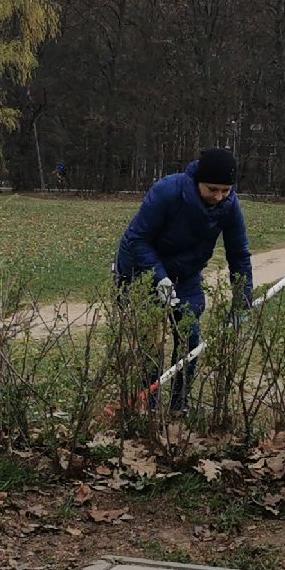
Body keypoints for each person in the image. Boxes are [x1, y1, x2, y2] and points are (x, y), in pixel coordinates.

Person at [114, 147, 254, 410]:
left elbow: (239, 255)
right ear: (198, 181)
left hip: (186, 274)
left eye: (226, 190)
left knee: (190, 338)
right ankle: (148, 408)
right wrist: (159, 278)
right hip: (140, 270)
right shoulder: (168, 191)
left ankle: (180, 406)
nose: (219, 197)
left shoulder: (229, 206)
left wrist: (242, 300)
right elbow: (137, 238)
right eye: (212, 189)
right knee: (150, 342)